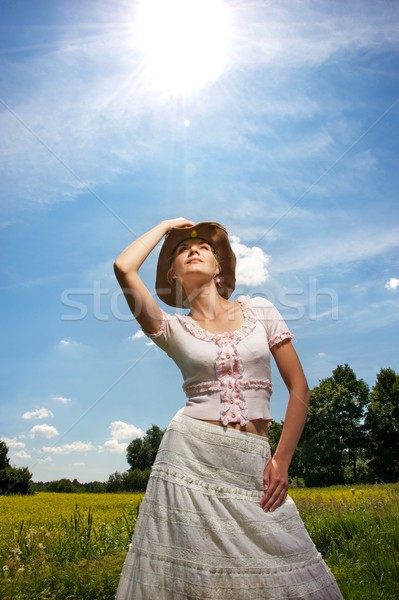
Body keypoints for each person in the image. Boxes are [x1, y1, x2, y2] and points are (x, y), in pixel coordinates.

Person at [114, 219, 343, 599]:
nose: (193, 249)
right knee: (202, 581)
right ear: (173, 273)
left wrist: (282, 461)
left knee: (287, 565)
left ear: (219, 268)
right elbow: (124, 267)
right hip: (189, 461)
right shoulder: (171, 328)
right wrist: (167, 226)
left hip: (254, 461)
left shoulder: (260, 311)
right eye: (181, 251)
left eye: (204, 247)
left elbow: (299, 387)